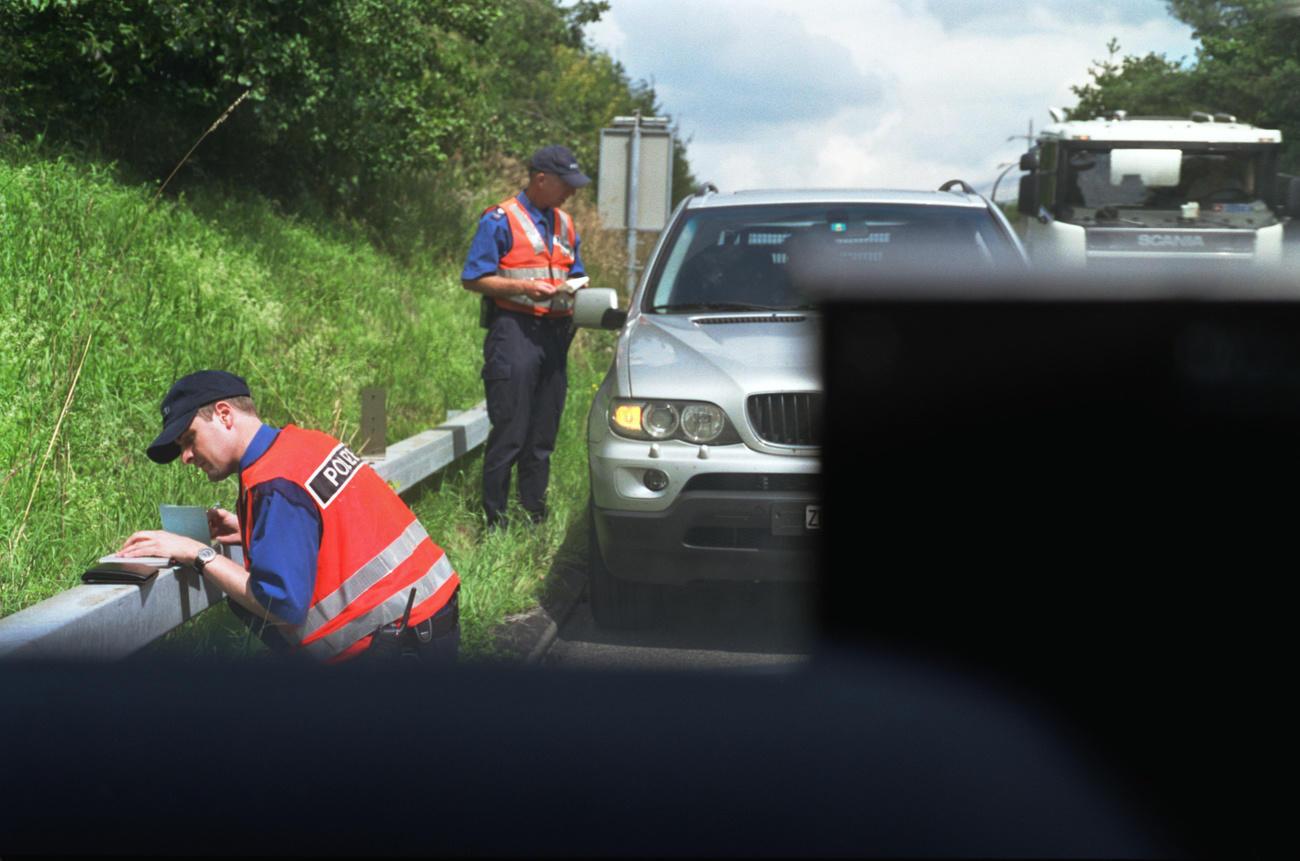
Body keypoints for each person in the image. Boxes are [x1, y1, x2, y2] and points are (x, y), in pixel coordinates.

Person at [118, 370, 460, 664]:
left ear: (224, 415)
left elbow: (280, 605)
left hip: (392, 652)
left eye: (189, 439)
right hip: (430, 617)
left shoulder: (274, 484)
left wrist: (196, 552)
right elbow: (336, 519)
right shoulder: (306, 443)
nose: (186, 457)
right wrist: (256, 529)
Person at [461, 144, 590, 531]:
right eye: (566, 184)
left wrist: (578, 290)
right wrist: (525, 289)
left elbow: (577, 271)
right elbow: (473, 278)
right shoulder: (500, 219)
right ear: (541, 179)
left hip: (555, 335)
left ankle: (533, 518)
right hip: (514, 330)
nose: (571, 192)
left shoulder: (566, 224)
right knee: (511, 431)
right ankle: (495, 521)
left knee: (542, 435)